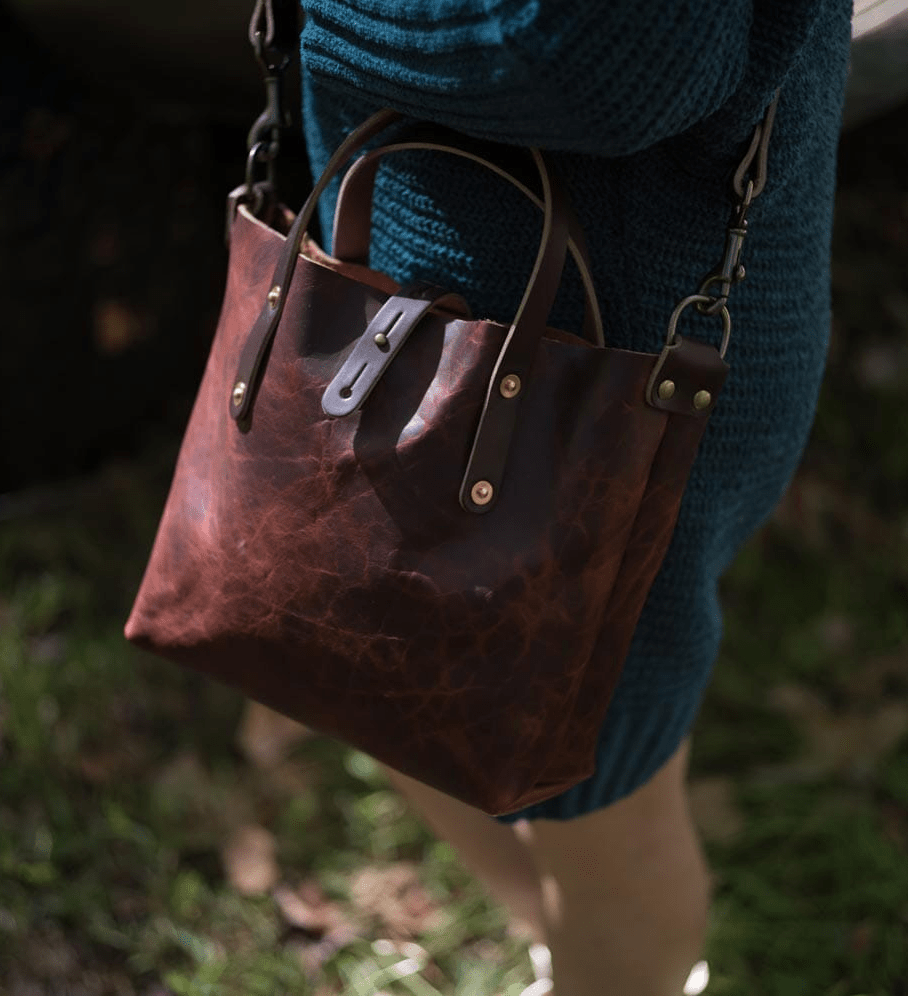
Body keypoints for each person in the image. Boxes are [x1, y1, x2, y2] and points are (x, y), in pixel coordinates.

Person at [297, 1, 853, 993]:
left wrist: (323, 16)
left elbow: (612, 57)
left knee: (601, 814)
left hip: (608, 375)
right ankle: (569, 952)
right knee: (362, 668)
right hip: (405, 299)